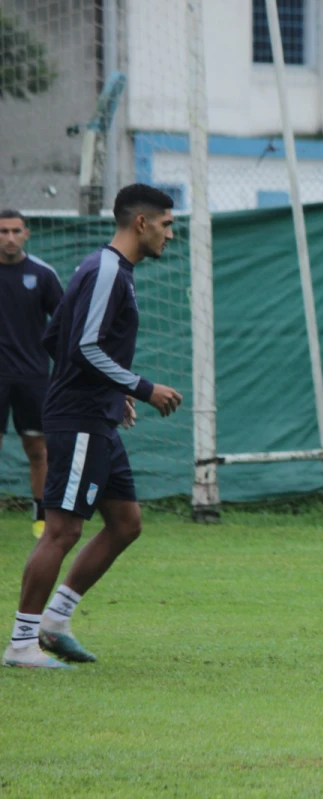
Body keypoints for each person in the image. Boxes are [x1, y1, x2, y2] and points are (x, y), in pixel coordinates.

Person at [4, 184, 184, 669]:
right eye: (167, 224)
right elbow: (82, 347)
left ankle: (55, 622)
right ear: (141, 223)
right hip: (80, 419)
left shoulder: (109, 270)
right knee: (61, 530)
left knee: (125, 524)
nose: (173, 232)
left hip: (96, 413)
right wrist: (141, 387)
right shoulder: (106, 270)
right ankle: (22, 643)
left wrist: (115, 390)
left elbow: (53, 335)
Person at [0, 210, 65, 539]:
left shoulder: (42, 274)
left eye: (15, 231)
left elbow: (66, 324)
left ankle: (41, 514)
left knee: (38, 449)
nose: (9, 238)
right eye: (2, 231)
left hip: (33, 377)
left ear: (26, 233)